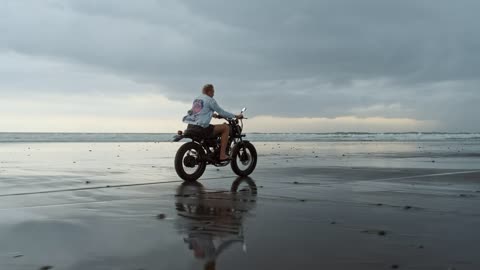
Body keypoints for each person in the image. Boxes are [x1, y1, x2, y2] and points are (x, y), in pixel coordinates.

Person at [183, 84, 243, 161]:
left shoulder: (197, 99)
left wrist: (212, 115)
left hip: (191, 126)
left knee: (215, 127)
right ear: (209, 91)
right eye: (213, 92)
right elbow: (222, 112)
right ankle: (222, 155)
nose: (214, 94)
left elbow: (198, 112)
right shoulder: (210, 100)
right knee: (225, 127)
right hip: (201, 128)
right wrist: (236, 116)